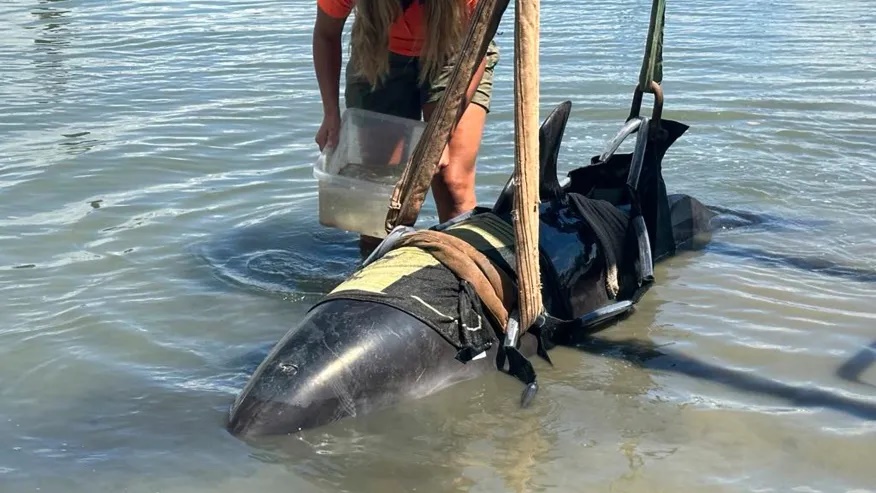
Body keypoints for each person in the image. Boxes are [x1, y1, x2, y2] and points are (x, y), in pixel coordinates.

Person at [312, 0, 499, 251]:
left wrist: (441, 133)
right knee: (379, 200)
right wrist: (330, 113)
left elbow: (477, 47)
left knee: (453, 182)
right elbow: (326, 34)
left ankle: (460, 271)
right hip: (378, 51)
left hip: (457, 50)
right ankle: (374, 273)